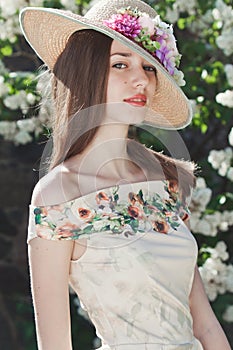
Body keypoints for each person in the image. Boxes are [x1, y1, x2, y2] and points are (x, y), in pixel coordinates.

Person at [20, 0, 231, 349]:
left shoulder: (168, 185)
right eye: (121, 64)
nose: (140, 80)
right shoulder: (57, 196)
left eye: (149, 68)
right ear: (87, 71)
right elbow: (55, 343)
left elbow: (204, 323)